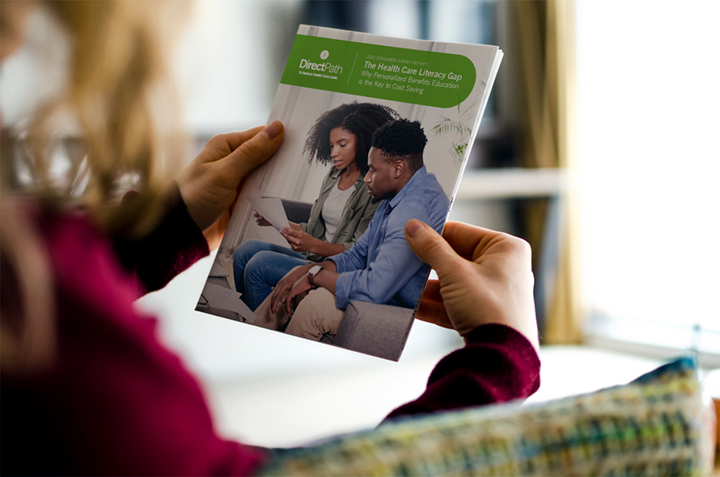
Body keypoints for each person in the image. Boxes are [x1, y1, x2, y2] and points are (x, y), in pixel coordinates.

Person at [0, 2, 540, 475]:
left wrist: (176, 227)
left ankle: (279, 306)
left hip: (344, 278)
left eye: (356, 151)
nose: (350, 162)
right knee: (260, 258)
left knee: (260, 265)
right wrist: (502, 353)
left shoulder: (399, 203)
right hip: (331, 264)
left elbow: (367, 270)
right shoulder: (35, 295)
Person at [252, 119, 450, 341]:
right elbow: (358, 254)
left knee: (315, 305)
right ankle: (254, 339)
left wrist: (314, 276)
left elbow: (375, 288)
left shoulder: (412, 212)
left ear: (397, 169)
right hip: (376, 290)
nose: (367, 178)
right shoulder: (395, 195)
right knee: (293, 280)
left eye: (373, 171)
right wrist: (308, 270)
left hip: (390, 309)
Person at [233, 102, 398, 310]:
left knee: (259, 264)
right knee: (245, 250)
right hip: (313, 256)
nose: (334, 153)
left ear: (364, 141)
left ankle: (260, 324)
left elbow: (358, 252)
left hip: (334, 269)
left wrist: (312, 245)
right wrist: (277, 221)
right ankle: (246, 313)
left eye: (342, 144)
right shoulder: (333, 175)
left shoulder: (373, 187)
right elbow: (313, 228)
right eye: (331, 145)